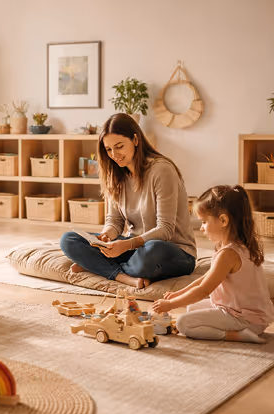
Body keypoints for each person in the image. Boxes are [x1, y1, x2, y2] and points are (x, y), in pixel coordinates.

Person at [60, 113, 197, 289]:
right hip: (133, 249)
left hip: (173, 251)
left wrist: (127, 244)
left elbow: (165, 230)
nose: (114, 155)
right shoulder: (117, 174)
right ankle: (123, 276)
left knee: (152, 251)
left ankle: (97, 267)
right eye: (108, 150)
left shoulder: (161, 170)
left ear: (135, 140)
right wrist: (106, 236)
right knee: (69, 239)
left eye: (119, 147)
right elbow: (115, 221)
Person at [153, 185, 273, 343]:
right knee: (192, 308)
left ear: (223, 220)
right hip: (246, 313)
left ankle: (237, 335)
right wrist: (178, 294)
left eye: (204, 221)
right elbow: (205, 279)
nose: (201, 227)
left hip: (245, 319)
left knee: (184, 323)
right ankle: (234, 329)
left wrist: (171, 304)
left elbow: (203, 290)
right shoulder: (237, 247)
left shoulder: (228, 254)